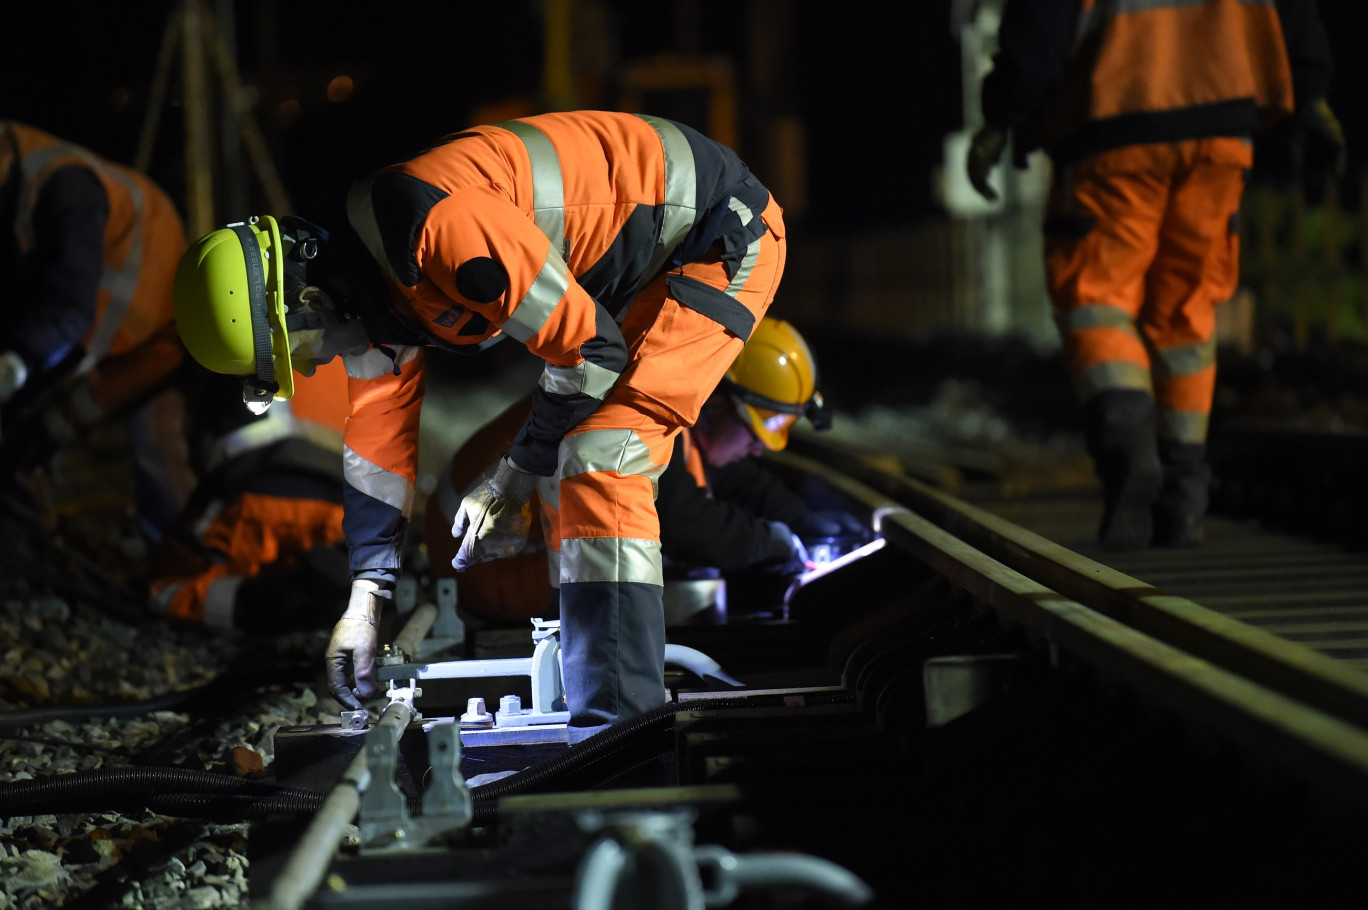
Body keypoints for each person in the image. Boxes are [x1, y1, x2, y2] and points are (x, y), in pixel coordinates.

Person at [172, 110, 787, 741]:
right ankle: (611, 706)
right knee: (581, 446)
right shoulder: (371, 296)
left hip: (721, 234)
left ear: (303, 300)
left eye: (300, 351)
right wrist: (364, 603)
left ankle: (620, 731)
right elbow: (379, 459)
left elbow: (589, 350)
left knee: (605, 451)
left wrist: (512, 478)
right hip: (652, 257)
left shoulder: (438, 232)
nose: (319, 363)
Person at [965, 0, 1342, 549]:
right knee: (1188, 312)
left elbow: (1041, 20)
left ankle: (1128, 445)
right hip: (1223, 122)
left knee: (1096, 298)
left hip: (1114, 115)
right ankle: (1184, 491)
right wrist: (1311, 95)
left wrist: (1003, 116)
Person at [426, 316, 863, 623]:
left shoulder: (678, 409)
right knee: (658, 566)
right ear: (716, 399)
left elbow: (738, 481)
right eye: (753, 430)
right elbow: (686, 522)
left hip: (482, 550)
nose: (756, 449)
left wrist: (803, 521)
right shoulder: (644, 411)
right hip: (488, 565)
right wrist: (778, 544)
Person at [0, 120, 196, 548]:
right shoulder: (19, 187)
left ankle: (184, 571)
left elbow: (69, 311)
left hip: (155, 323)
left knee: (157, 455)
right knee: (28, 438)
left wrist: (13, 368)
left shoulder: (65, 187)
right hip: (100, 337)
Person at [143, 362, 351, 636]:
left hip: (255, 502)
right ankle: (314, 599)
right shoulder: (361, 335)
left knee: (165, 590)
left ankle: (266, 605)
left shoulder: (234, 327)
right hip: (346, 515)